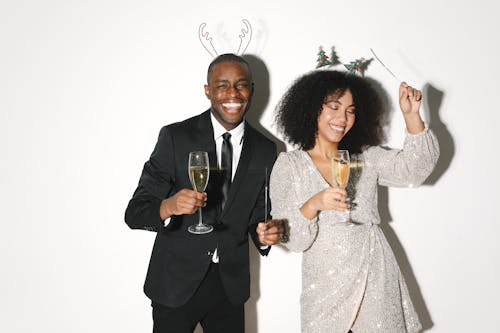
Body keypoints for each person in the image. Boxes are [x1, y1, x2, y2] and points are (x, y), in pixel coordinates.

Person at [270, 70, 439, 333]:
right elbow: (293, 239)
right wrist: (314, 203)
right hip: (325, 289)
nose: (342, 118)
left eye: (350, 110)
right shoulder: (289, 166)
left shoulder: (366, 157)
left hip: (375, 278)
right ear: (311, 108)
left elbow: (415, 170)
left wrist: (411, 116)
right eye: (334, 107)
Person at [125, 53, 283, 333]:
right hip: (174, 284)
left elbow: (259, 211)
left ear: (251, 91)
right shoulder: (175, 137)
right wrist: (169, 206)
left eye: (241, 85)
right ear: (208, 90)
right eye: (222, 85)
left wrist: (267, 231)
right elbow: (135, 212)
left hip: (229, 287)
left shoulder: (265, 149)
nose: (232, 93)